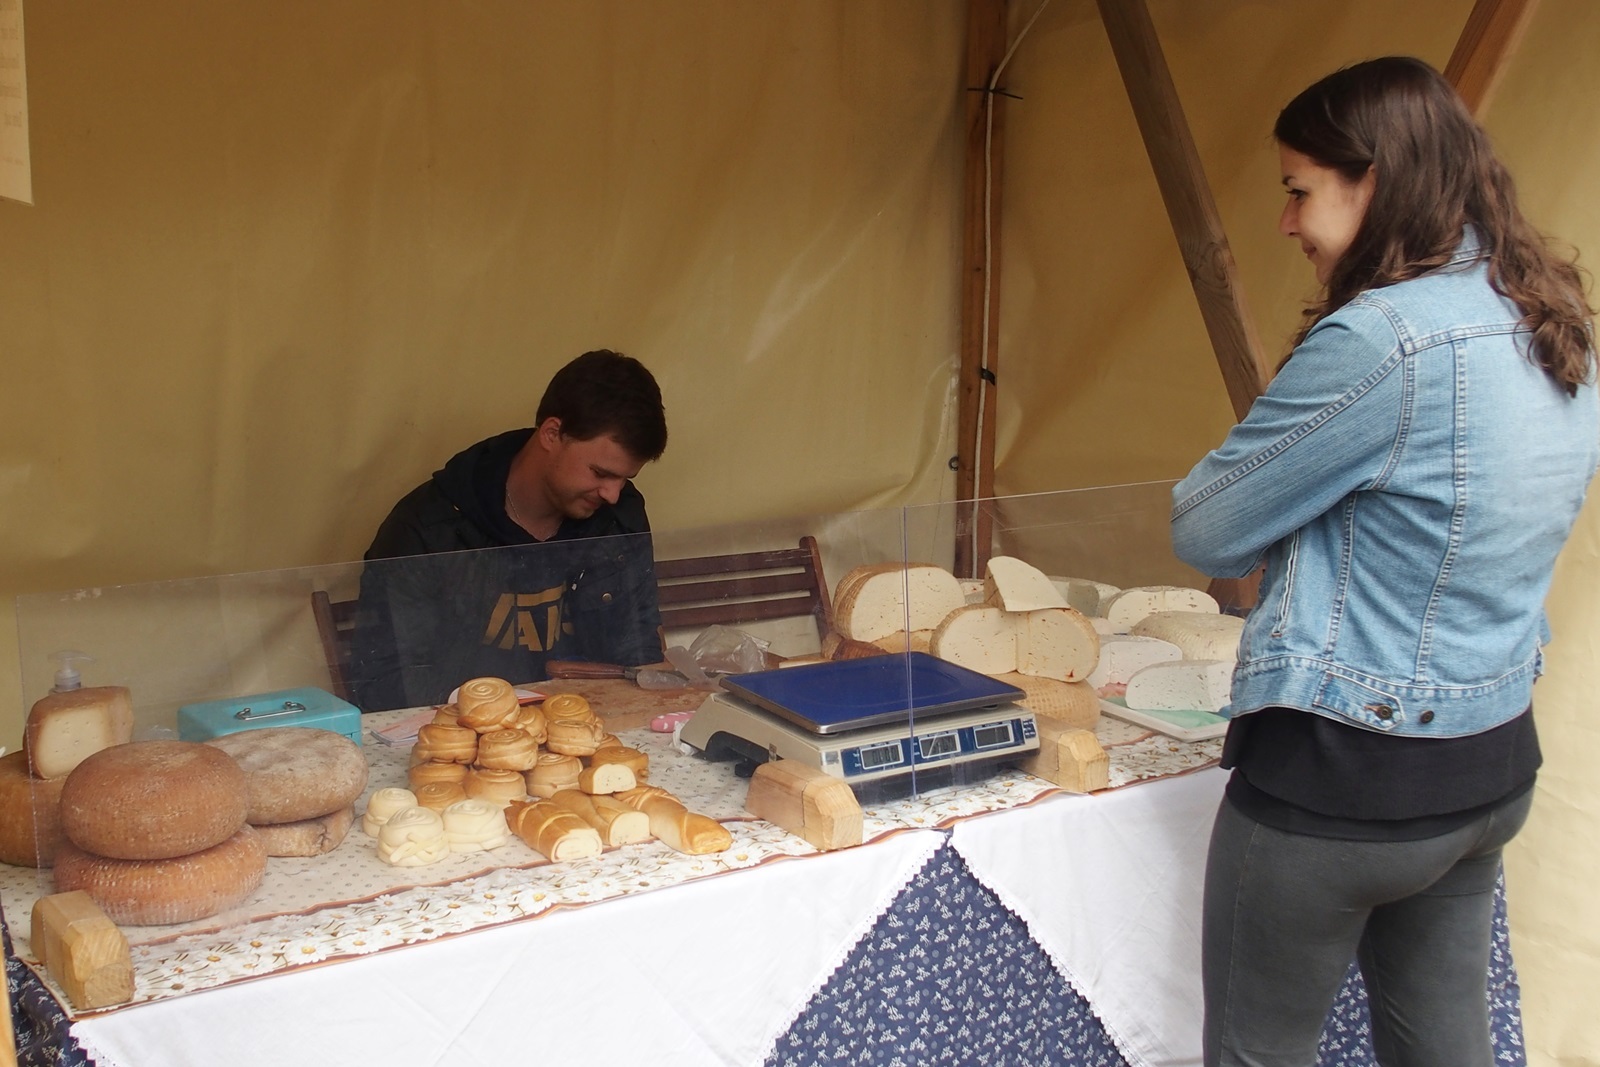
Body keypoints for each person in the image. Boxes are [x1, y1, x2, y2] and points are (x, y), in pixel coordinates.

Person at [1170, 57, 1598, 1067]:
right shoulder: (1546, 311)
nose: (1286, 221)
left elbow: (1207, 528)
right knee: (1445, 1047)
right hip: (1488, 762)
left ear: (1374, 180)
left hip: (1342, 780)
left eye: (1298, 189)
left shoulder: (1384, 339)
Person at [349, 349, 669, 711]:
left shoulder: (619, 517)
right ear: (552, 433)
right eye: (600, 473)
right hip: (466, 729)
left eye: (625, 479)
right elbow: (384, 684)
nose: (612, 494)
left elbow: (640, 652)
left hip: (592, 723)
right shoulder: (429, 526)